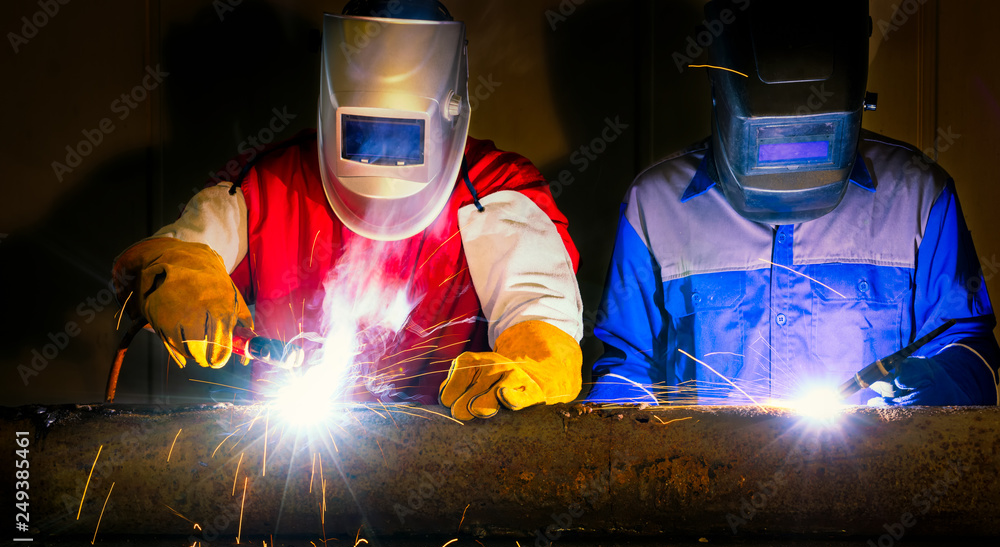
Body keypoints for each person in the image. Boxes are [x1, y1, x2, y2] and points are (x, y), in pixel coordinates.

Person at [112, 0, 584, 420]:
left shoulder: (495, 189)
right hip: (291, 472)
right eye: (361, 132)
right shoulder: (269, 183)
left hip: (450, 459)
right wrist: (178, 270)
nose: (380, 157)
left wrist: (536, 360)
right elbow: (180, 254)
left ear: (449, 112)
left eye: (401, 137)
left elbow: (539, 309)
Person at [587, 0, 999, 407]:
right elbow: (627, 371)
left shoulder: (917, 195)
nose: (791, 163)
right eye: (769, 141)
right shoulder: (656, 205)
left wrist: (940, 383)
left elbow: (969, 349)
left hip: (875, 474)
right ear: (723, 97)